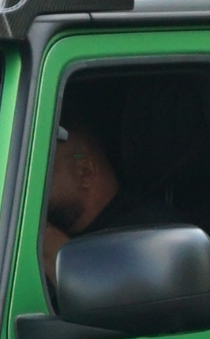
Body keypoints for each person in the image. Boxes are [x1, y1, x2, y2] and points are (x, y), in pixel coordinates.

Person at [39, 113, 180, 275]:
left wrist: (56, 255)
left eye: (42, 170)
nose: (32, 184)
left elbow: (121, 295)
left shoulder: (150, 234)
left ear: (85, 173)